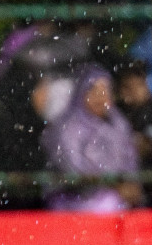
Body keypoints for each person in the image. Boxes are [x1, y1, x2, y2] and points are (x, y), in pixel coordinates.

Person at [43, 66, 140, 213]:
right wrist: (113, 185)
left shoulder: (119, 123)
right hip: (73, 200)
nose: (100, 97)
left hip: (117, 195)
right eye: (94, 90)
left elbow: (130, 159)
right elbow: (72, 169)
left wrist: (130, 184)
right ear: (81, 93)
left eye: (104, 91)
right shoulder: (67, 127)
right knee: (109, 205)